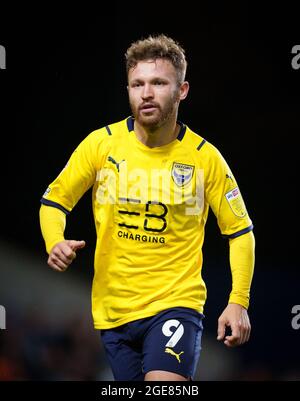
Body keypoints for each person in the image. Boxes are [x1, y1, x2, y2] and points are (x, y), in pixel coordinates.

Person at [39, 34, 255, 381]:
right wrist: (54, 241)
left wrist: (238, 300)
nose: (146, 93)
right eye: (137, 84)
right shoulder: (101, 145)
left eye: (158, 83)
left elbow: (241, 233)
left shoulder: (206, 159)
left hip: (176, 303)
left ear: (182, 90)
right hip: (114, 312)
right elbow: (54, 201)